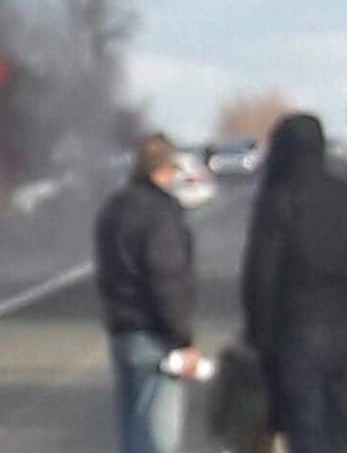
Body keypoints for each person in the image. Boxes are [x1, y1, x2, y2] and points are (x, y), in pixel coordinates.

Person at [243, 114, 347, 453]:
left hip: (299, 331)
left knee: (308, 431)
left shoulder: (278, 199)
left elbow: (262, 275)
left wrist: (259, 336)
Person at [94, 133, 198, 453]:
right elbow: (165, 278)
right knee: (159, 438)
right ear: (165, 168)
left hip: (122, 331)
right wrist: (183, 340)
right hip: (156, 336)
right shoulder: (161, 212)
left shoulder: (113, 208)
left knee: (132, 429)